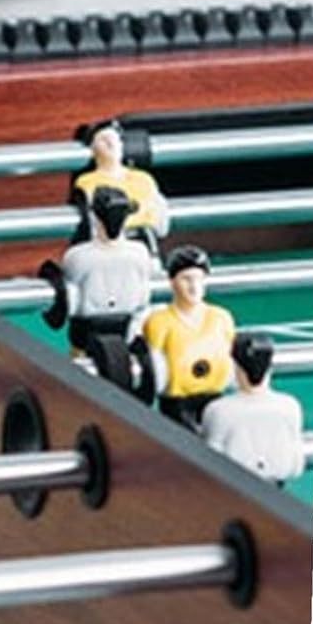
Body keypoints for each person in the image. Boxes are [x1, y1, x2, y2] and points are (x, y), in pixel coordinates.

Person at [138, 245, 235, 429]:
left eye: (199, 279)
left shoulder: (221, 318)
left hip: (215, 398)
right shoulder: (159, 322)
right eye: (186, 279)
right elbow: (152, 366)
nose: (194, 286)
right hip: (177, 403)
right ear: (172, 282)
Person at [59, 185, 154, 357]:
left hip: (91, 331)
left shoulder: (77, 256)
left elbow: (69, 294)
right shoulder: (141, 253)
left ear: (95, 216)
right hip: (115, 328)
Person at [200, 334, 306, 484]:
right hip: (273, 487)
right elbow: (296, 464)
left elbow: (211, 464)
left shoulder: (218, 411)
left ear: (236, 369)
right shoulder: (290, 406)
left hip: (232, 488)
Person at [73, 119, 170, 252]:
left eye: (116, 139)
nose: (111, 143)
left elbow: (159, 222)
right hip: (108, 246)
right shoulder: (87, 182)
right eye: (103, 139)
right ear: (92, 148)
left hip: (145, 243)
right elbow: (95, 223)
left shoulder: (143, 179)